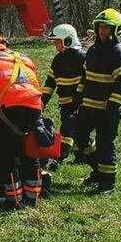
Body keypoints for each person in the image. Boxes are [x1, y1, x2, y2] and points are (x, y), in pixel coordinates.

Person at [0, 34, 44, 209]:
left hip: (12, 109)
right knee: (29, 153)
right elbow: (36, 86)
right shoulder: (24, 58)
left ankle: (13, 200)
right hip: (35, 107)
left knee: (6, 154)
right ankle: (33, 197)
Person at [75, 9, 121, 193]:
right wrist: (78, 95)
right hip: (88, 106)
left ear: (117, 30)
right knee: (80, 138)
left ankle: (108, 182)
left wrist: (113, 107)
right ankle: (98, 170)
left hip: (108, 109)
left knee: (106, 144)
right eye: (100, 27)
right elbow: (85, 77)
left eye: (107, 27)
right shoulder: (92, 51)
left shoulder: (120, 53)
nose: (102, 31)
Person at [40, 23, 86, 165]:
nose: (55, 45)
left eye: (57, 41)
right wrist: (41, 102)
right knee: (77, 132)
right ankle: (85, 154)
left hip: (80, 102)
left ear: (67, 40)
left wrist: (78, 96)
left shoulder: (82, 57)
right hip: (65, 102)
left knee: (68, 128)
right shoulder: (58, 60)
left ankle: (60, 157)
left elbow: (88, 79)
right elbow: (50, 83)